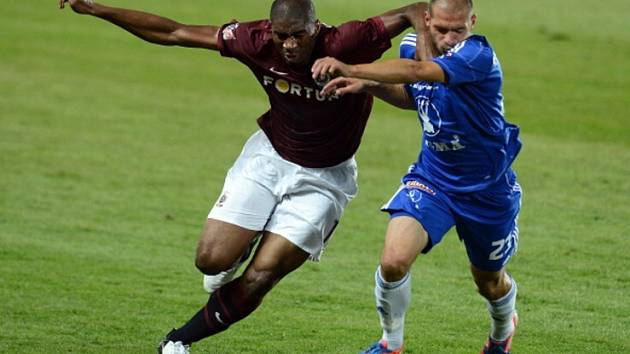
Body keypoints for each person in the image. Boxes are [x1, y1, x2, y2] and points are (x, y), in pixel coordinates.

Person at [59, 0, 429, 353]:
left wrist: (428, 68)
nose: (289, 44)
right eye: (281, 35)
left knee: (260, 277)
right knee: (210, 261)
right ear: (270, 30)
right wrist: (96, 8)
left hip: (324, 179)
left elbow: (415, 11)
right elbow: (175, 32)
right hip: (268, 158)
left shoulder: (347, 41)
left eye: (299, 34)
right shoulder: (253, 39)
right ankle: (246, 241)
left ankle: (177, 341)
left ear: (315, 28)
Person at [311, 0, 522, 353]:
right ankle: (390, 344)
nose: (451, 38)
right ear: (426, 20)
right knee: (393, 261)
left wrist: (354, 68)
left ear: (473, 22)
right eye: (441, 29)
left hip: (487, 190)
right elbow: (415, 94)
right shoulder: (413, 47)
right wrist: (367, 86)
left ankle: (503, 329)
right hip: (434, 178)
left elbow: (421, 73)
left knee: (488, 281)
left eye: (459, 29)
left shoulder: (477, 55)